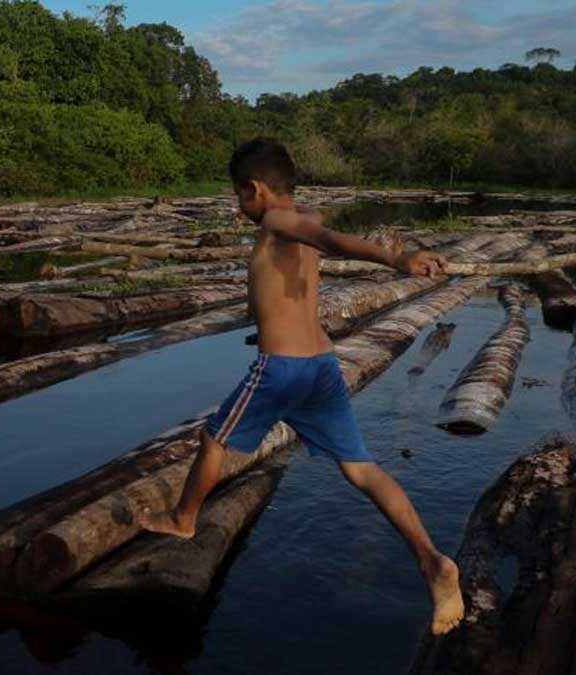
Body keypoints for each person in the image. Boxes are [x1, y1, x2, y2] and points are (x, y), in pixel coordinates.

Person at [139, 138, 464, 635]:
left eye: (238, 196)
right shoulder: (299, 220)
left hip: (281, 371)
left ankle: (184, 519)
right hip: (320, 367)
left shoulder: (276, 221)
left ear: (256, 190)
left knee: (213, 439)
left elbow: (331, 240)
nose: (238, 206)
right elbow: (307, 257)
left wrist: (395, 262)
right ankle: (431, 560)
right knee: (362, 470)